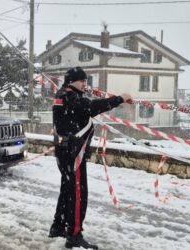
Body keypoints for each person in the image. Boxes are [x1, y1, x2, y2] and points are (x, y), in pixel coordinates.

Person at [49, 67, 132, 249]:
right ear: (71, 81)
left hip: (65, 151)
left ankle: (59, 226)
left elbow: (83, 109)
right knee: (78, 194)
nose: (84, 84)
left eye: (86, 81)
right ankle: (74, 234)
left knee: (68, 190)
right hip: (73, 153)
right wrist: (120, 98)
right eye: (81, 81)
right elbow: (92, 107)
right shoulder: (70, 96)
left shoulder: (63, 95)